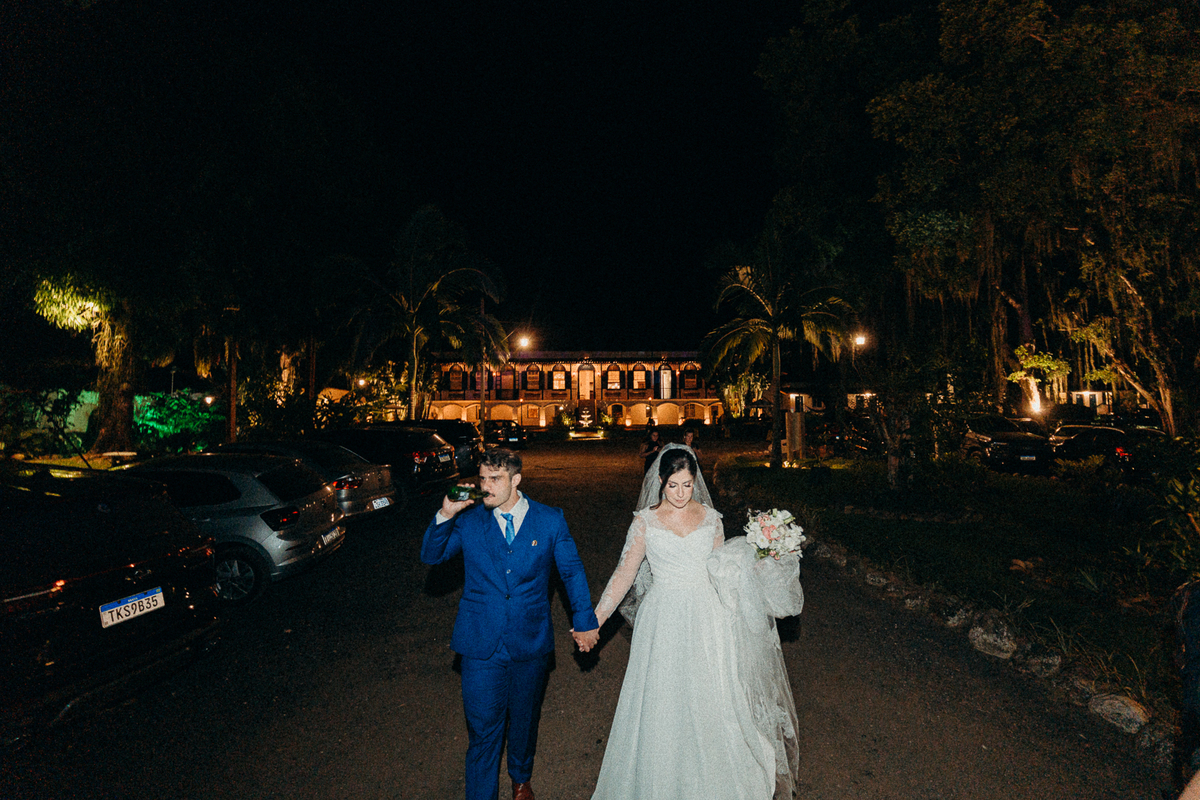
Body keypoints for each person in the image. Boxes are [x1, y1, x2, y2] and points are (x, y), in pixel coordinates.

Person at [590, 444, 803, 800]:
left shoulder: (711, 518)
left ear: (695, 481)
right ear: (661, 482)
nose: (680, 493)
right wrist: (594, 619)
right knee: (664, 697)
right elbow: (624, 575)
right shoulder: (644, 522)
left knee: (712, 696)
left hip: (707, 615)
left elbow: (722, 569)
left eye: (687, 485)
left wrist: (762, 562)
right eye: (673, 485)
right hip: (663, 618)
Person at [421, 448, 600, 800]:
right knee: (483, 731)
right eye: (482, 479)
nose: (485, 486)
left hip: (529, 639)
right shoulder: (470, 519)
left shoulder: (549, 520)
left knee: (523, 719)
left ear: (516, 479)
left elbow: (571, 572)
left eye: (495, 479)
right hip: (480, 643)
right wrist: (446, 513)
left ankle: (520, 778)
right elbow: (432, 555)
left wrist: (584, 621)